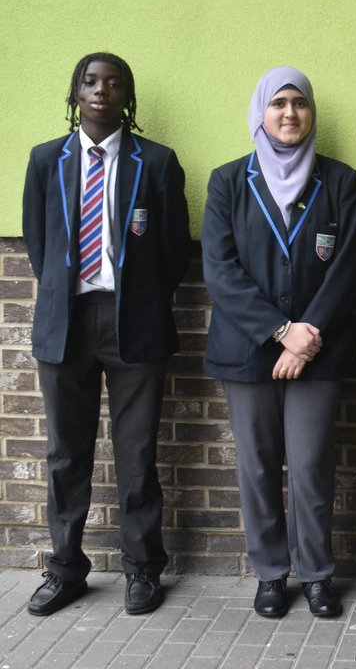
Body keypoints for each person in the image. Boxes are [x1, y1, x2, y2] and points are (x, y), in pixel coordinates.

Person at [22, 52, 190, 616]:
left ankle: (143, 570)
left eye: (113, 83)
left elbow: (172, 254)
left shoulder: (158, 163)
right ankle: (66, 569)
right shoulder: (47, 160)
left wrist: (141, 299)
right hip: (65, 325)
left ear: (128, 97)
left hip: (133, 325)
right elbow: (38, 245)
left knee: (137, 455)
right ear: (75, 93)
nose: (102, 90)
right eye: (91, 82)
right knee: (65, 454)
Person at [202, 67, 356, 619]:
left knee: (313, 463)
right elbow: (220, 271)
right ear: (260, 113)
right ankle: (271, 574)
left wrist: (305, 335)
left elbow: (345, 269)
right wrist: (279, 331)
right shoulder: (228, 181)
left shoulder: (340, 181)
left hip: (318, 351)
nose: (290, 113)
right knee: (257, 464)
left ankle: (317, 573)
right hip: (248, 349)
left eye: (299, 103)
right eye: (278, 104)